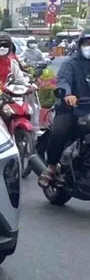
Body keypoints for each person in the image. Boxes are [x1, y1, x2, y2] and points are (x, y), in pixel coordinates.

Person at [38, 29, 90, 188]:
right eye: (87, 43)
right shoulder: (70, 63)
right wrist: (67, 94)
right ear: (80, 45)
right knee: (60, 131)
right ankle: (52, 167)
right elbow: (63, 81)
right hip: (71, 110)